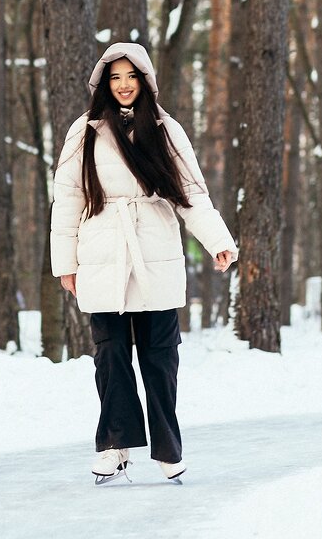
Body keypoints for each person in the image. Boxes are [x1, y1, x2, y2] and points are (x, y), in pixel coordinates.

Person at [50, 42, 238, 484]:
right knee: (111, 355)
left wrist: (217, 241)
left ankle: (168, 449)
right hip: (102, 251)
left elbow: (191, 193)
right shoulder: (85, 131)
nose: (123, 85)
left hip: (155, 249)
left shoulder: (166, 130)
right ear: (103, 83)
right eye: (114, 77)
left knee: (160, 356)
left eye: (131, 76)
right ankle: (115, 445)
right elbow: (68, 198)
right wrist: (66, 263)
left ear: (145, 80)